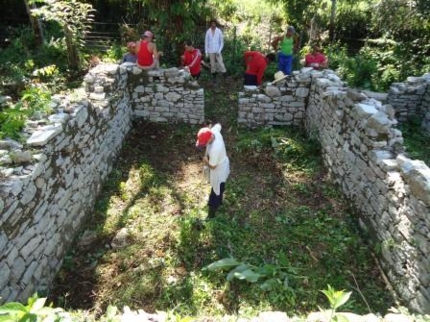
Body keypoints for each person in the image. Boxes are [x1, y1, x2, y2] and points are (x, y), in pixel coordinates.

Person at [195, 123, 230, 219]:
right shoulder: (213, 131)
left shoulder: (215, 149)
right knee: (218, 187)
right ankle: (216, 202)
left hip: (219, 169)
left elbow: (213, 167)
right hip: (220, 162)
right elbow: (219, 125)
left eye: (204, 143)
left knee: (216, 190)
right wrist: (210, 129)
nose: (203, 145)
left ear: (209, 139)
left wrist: (206, 162)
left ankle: (212, 214)